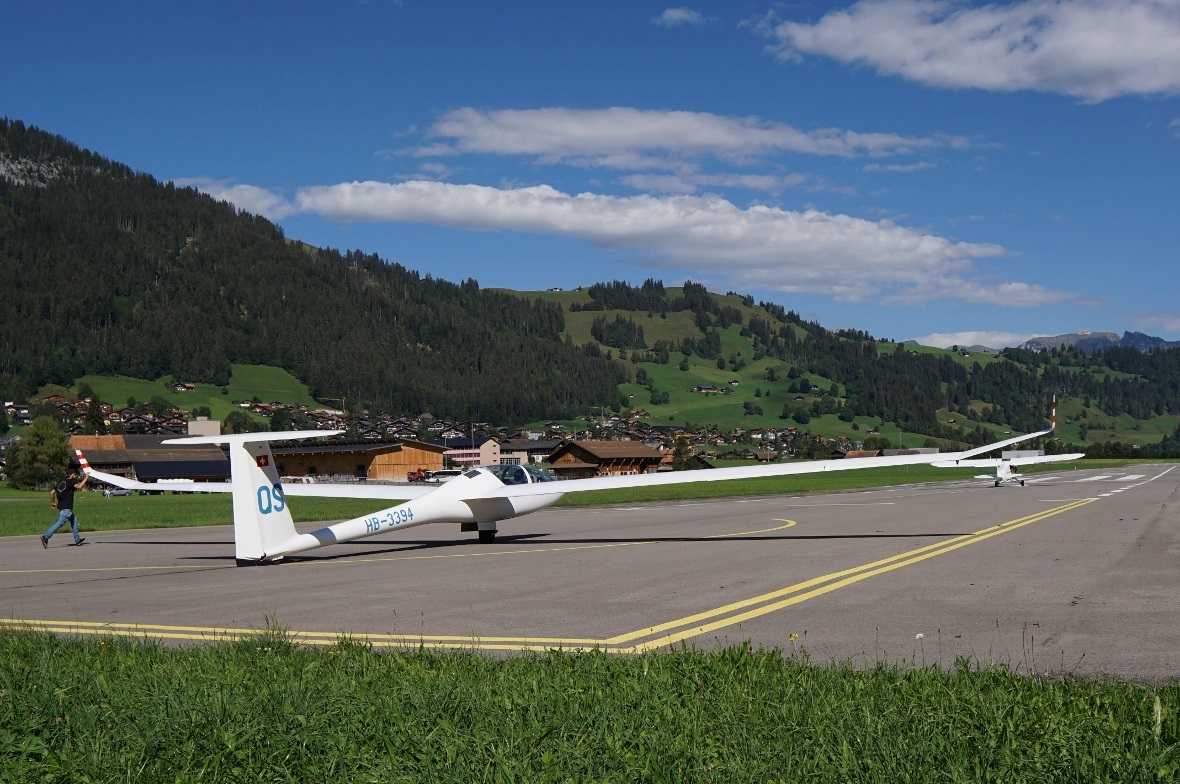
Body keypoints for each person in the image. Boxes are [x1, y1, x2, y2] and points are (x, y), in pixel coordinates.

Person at [41, 468, 88, 548]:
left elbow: (51, 493)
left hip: (63, 507)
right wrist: (86, 477)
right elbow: (80, 486)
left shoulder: (61, 482)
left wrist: (53, 502)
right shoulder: (71, 482)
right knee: (59, 523)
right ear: (70, 475)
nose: (76, 475)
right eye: (75, 474)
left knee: (74, 521)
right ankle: (45, 537)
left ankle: (77, 540)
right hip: (66, 508)